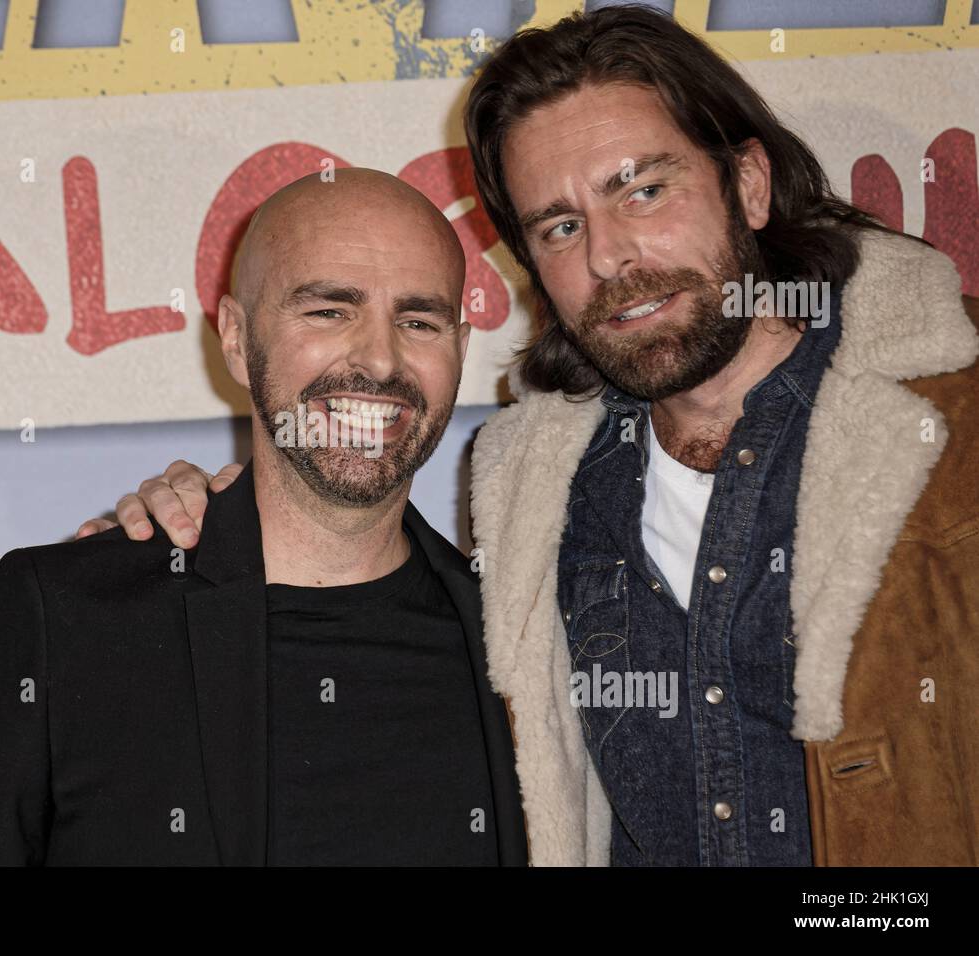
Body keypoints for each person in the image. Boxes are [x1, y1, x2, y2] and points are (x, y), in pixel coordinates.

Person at [82, 6, 979, 865]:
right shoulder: (535, 490)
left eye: (644, 189)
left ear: (747, 184)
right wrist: (195, 536)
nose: (608, 257)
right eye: (560, 225)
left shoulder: (955, 424)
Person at [0, 168, 529, 866]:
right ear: (235, 336)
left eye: (418, 321)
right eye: (328, 311)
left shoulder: (522, 642)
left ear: (461, 350)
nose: (380, 359)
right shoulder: (64, 618)